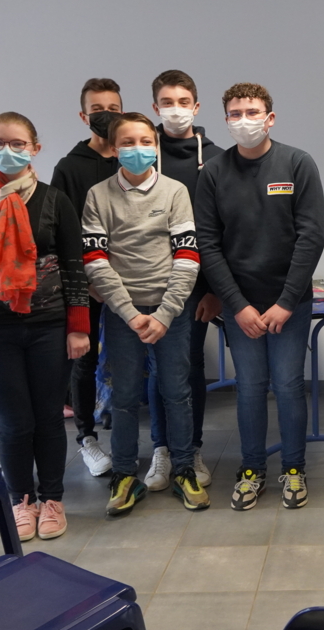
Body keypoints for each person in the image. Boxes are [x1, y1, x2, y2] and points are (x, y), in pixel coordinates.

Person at [0, 112, 90, 541]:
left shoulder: (54, 201)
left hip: (49, 327)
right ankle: (21, 499)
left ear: (34, 149)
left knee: (48, 419)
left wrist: (78, 327)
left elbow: (74, 267)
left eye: (18, 143)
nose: (7, 151)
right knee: (12, 423)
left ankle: (53, 498)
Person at [194, 82, 324, 511]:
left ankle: (294, 468)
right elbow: (208, 244)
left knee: (288, 386)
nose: (244, 120)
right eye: (235, 114)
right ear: (225, 120)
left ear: (270, 118)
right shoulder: (214, 173)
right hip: (241, 307)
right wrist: (238, 306)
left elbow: (311, 236)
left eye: (252, 112)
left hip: (291, 303)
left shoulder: (297, 163)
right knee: (250, 388)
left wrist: (286, 302)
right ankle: (251, 469)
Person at [81, 112, 209, 516]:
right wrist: (129, 312)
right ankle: (123, 474)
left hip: (171, 311)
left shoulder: (175, 191)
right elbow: (96, 261)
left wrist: (166, 313)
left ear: (156, 147)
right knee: (124, 396)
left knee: (177, 391)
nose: (137, 149)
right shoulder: (98, 195)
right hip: (123, 314)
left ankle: (184, 469)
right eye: (127, 142)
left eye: (145, 142)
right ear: (113, 149)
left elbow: (187, 256)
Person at [143, 69, 226, 491]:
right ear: (154, 107)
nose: (175, 110)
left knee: (191, 366)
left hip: (195, 285)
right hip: (147, 283)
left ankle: (190, 448)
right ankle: (162, 447)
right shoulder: (141, 152)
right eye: (166, 103)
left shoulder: (216, 158)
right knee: (156, 368)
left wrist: (213, 289)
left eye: (182, 102)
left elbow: (220, 228)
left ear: (196, 106)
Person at [51, 77, 122, 478]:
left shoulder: (135, 156)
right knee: (85, 359)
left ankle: (149, 442)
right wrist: (86, 281)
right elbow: (62, 231)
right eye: (98, 110)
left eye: (113, 108)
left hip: (133, 282)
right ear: (84, 116)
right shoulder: (69, 167)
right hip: (88, 284)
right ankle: (87, 438)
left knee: (137, 359)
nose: (106, 116)